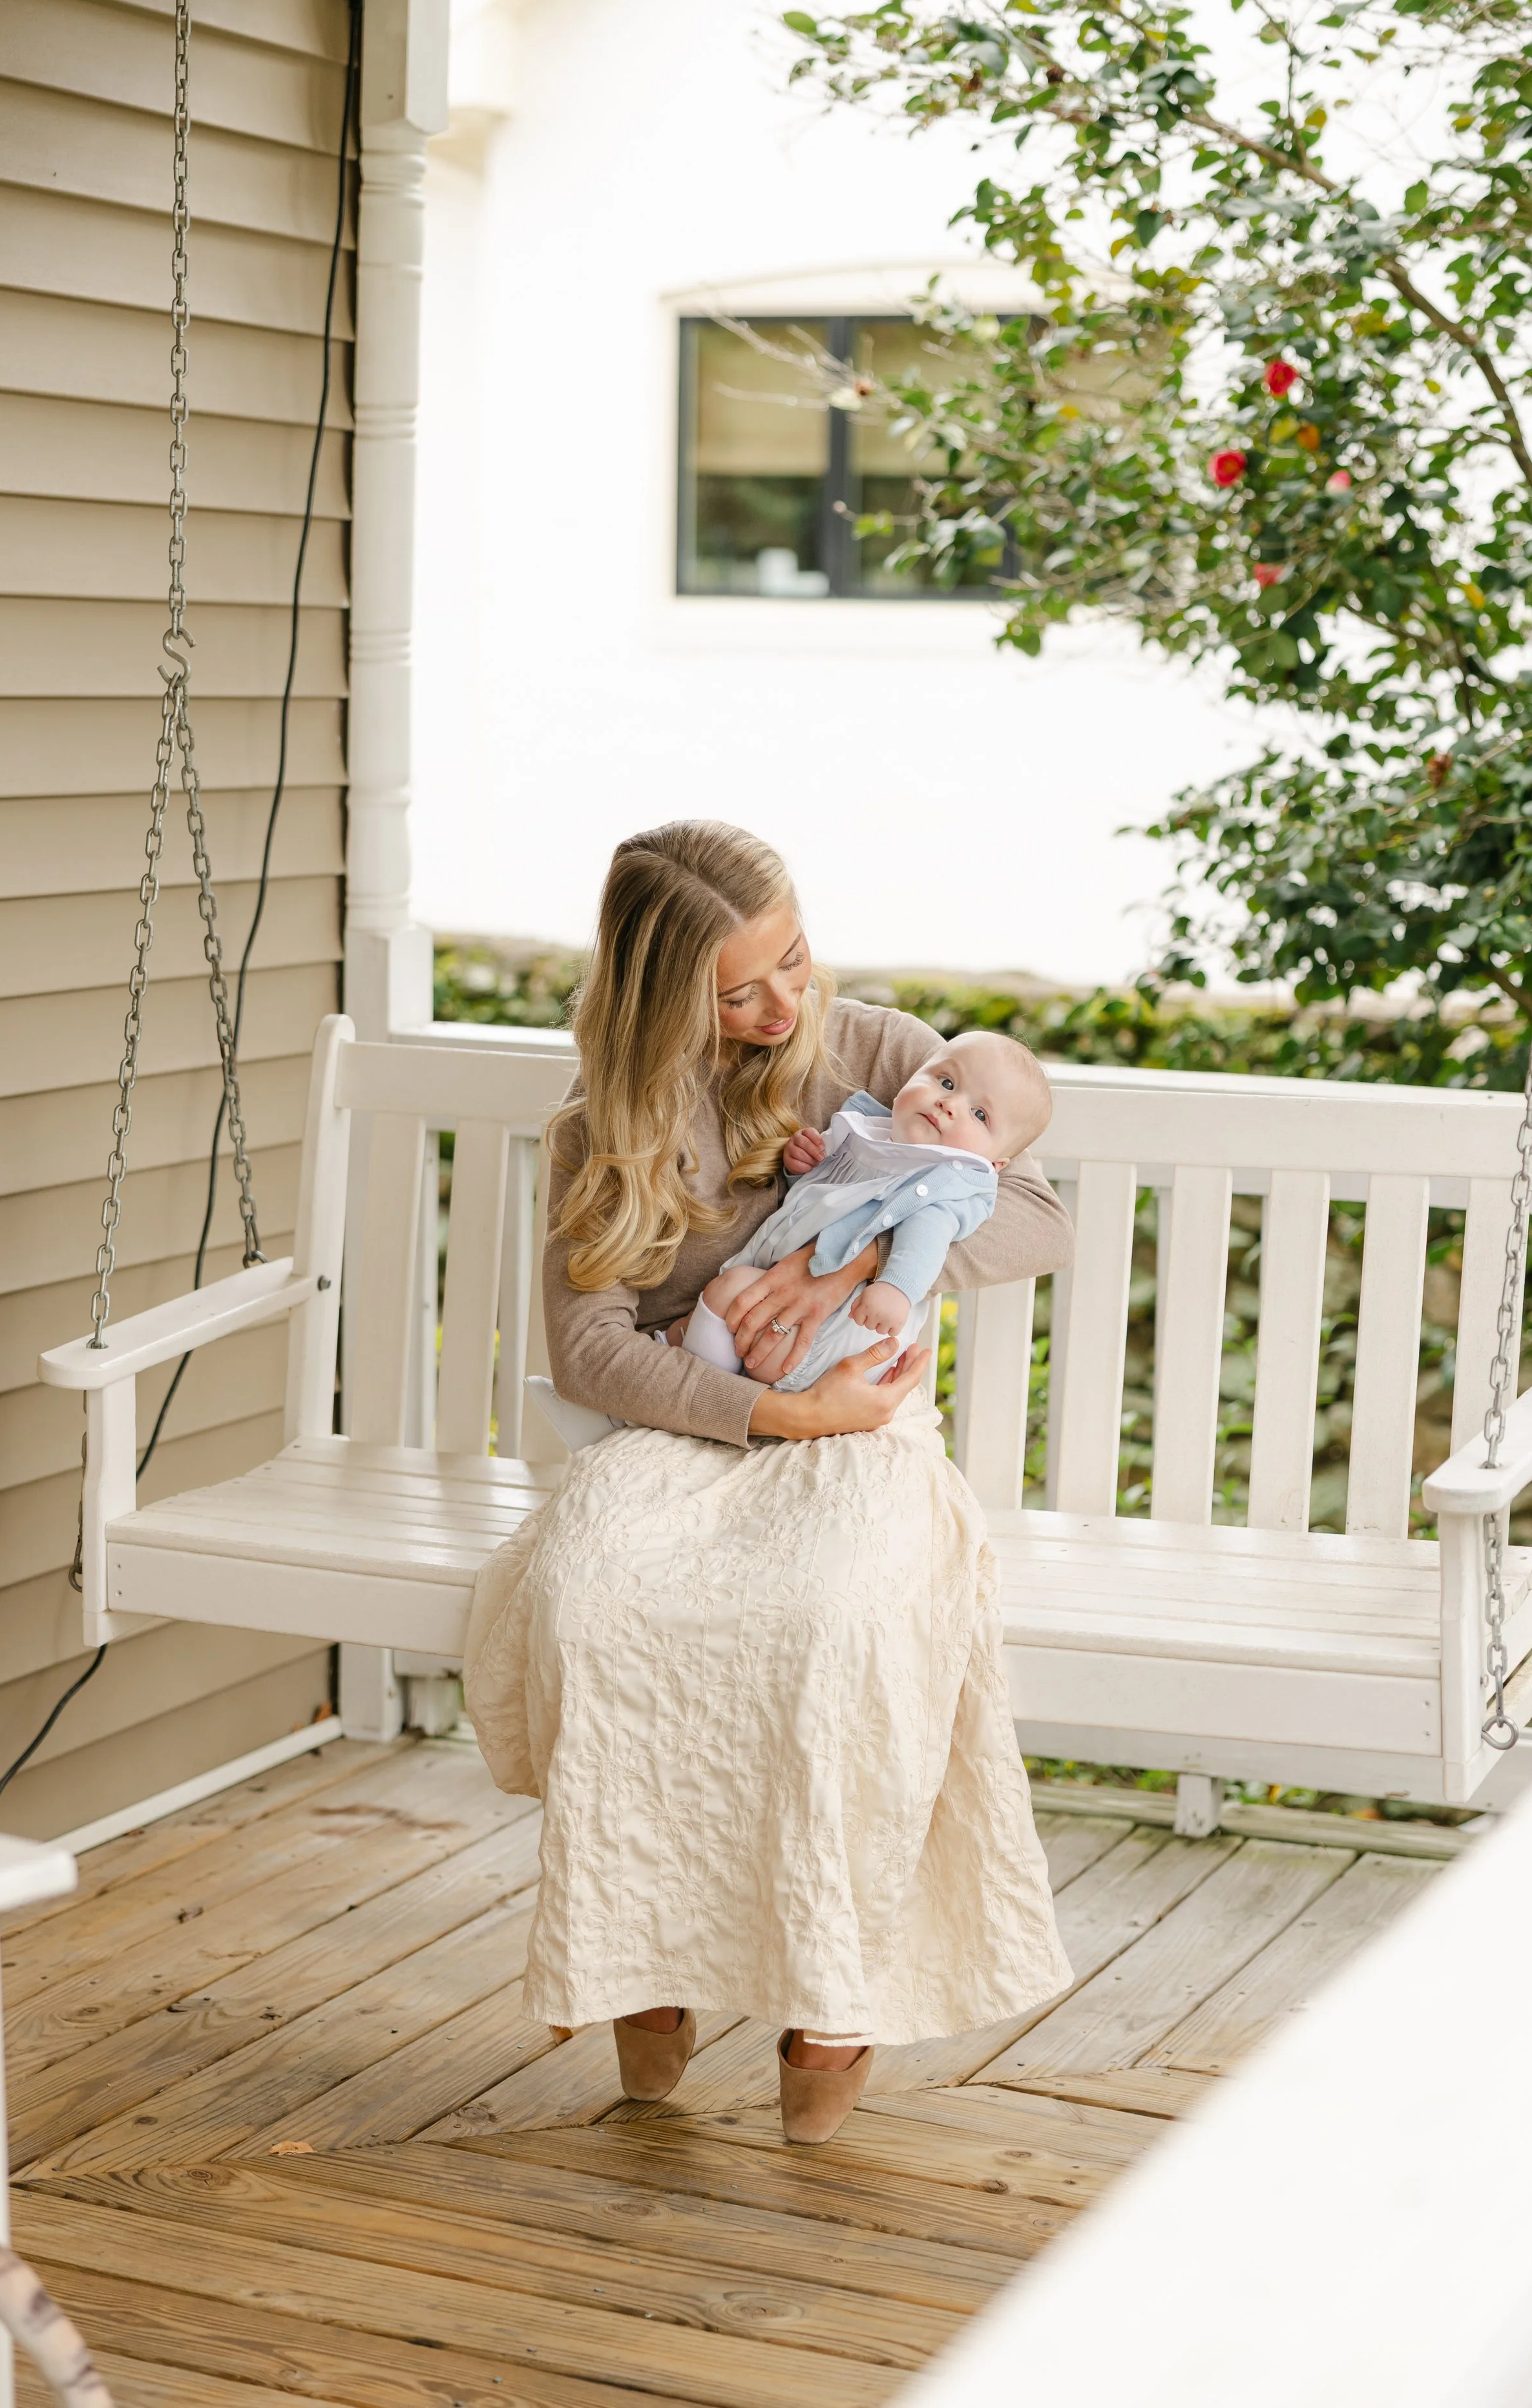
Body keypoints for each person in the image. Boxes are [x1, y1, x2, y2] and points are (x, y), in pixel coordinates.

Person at [463, 821, 1075, 2146]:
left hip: (861, 1434)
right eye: (736, 992)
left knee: (836, 1625)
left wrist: (852, 1267)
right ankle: (643, 1957)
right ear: (657, 996)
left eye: (791, 961)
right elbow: (591, 1350)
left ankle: (828, 1997)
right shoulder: (603, 1127)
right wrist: (772, 1407)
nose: (779, 1007)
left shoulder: (880, 1053)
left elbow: (1031, 1212)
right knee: (594, 1603)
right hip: (698, 1425)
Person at [671, 1033, 1054, 1392]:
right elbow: (819, 1198)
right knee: (716, 1308)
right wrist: (800, 1165)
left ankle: (695, 1393)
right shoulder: (871, 1135)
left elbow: (929, 1232)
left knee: (732, 1292)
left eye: (980, 1115)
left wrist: (896, 1286)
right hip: (785, 1303)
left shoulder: (946, 1178)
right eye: (947, 1083)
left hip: (837, 1329)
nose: (949, 1104)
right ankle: (695, 1382)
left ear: (997, 1164)